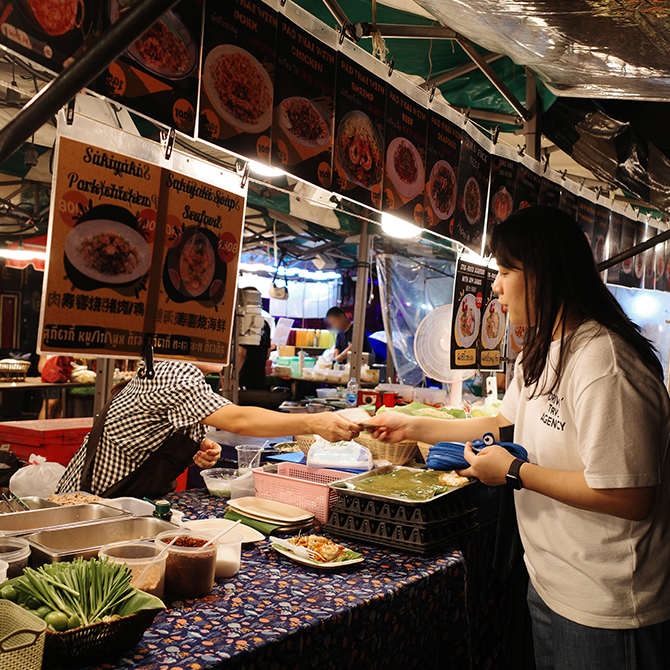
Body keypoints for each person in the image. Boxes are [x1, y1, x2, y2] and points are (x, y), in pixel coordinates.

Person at [367, 206, 670, 670]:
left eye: (506, 270)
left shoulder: (603, 363)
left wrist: (513, 471)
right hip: (551, 583)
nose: (495, 287)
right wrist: (411, 426)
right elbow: (500, 422)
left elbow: (630, 495)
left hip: (608, 605)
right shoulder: (545, 347)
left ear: (545, 273)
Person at [57, 359, 361, 496]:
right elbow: (239, 420)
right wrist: (313, 422)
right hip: (90, 505)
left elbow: (149, 436)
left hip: (124, 499)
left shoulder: (168, 370)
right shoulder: (173, 370)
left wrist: (193, 452)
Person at [239, 320, 271, 391]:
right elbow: (268, 354)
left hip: (244, 380)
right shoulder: (265, 324)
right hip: (260, 380)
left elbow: (241, 354)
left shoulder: (245, 323)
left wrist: (231, 378)